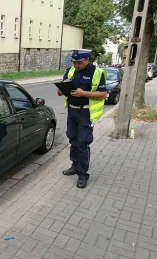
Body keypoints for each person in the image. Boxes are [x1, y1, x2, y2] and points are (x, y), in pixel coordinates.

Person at [57, 48, 107, 188]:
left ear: (87, 60)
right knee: (73, 140)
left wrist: (84, 93)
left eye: (79, 62)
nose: (76, 65)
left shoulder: (96, 72)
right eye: (74, 62)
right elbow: (59, 93)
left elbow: (103, 94)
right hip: (72, 112)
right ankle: (75, 165)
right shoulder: (70, 71)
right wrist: (63, 85)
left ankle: (83, 174)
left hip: (85, 113)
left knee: (82, 143)